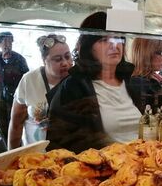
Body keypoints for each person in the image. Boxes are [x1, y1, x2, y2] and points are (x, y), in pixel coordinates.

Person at [46, 13, 139, 152]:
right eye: (104, 40)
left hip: (141, 163)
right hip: (104, 168)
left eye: (117, 37)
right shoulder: (73, 88)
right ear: (89, 47)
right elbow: (61, 145)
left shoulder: (132, 83)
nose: (114, 45)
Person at [7, 34, 73, 149]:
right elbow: (16, 124)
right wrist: (10, 156)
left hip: (67, 156)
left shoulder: (77, 80)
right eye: (57, 59)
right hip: (35, 158)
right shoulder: (29, 80)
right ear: (44, 60)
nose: (65, 63)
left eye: (68, 57)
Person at [0, 31, 29, 142]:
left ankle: (17, 147)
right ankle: (6, 148)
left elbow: (26, 77)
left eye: (9, 40)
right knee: (2, 127)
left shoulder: (19, 58)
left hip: (15, 98)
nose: (7, 44)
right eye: (4, 41)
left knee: (15, 125)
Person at [130, 38, 162, 108]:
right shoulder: (140, 83)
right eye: (160, 53)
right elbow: (157, 114)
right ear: (145, 54)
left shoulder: (154, 78)